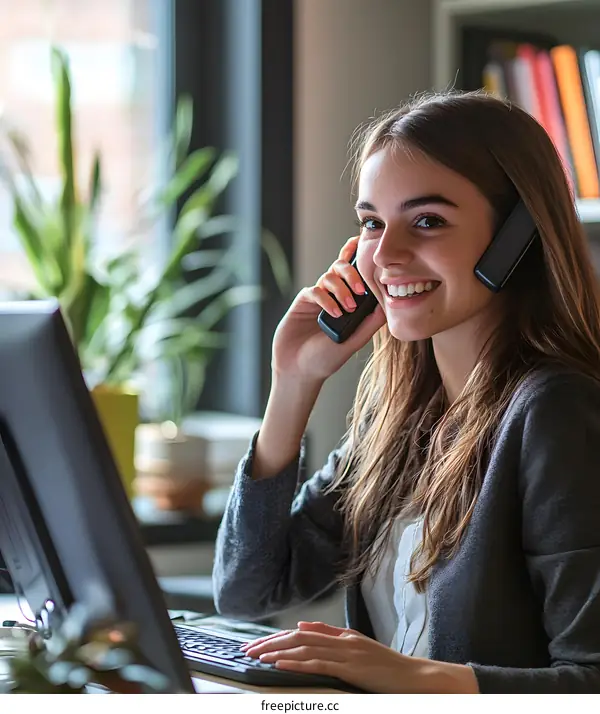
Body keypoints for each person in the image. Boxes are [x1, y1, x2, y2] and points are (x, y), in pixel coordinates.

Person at [212, 90, 600, 694]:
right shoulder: (398, 419)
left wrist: (404, 675)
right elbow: (247, 591)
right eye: (372, 223)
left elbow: (590, 682)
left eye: (427, 221)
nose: (386, 254)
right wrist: (293, 383)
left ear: (517, 235)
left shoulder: (555, 411)